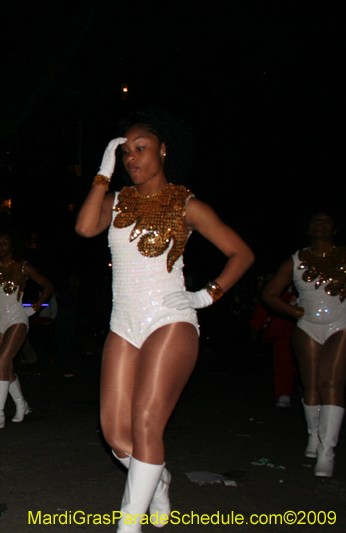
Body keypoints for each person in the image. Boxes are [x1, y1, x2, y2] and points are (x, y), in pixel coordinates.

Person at [75, 109, 253, 532]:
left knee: (147, 423)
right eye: (125, 153)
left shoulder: (186, 203)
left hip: (170, 319)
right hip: (124, 323)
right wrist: (103, 173)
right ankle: (158, 480)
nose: (132, 159)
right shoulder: (116, 201)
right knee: (117, 436)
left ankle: (128, 525)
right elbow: (84, 228)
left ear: (163, 150)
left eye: (141, 149)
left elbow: (241, 254)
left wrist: (207, 295)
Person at [261, 211, 345, 477]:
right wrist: (293, 312)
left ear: (334, 229)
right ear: (309, 230)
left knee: (330, 383)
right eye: (315, 220)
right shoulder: (296, 260)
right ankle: (313, 437)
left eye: (326, 220)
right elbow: (269, 294)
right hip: (307, 327)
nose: (320, 223)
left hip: (340, 325)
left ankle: (327, 452)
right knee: (310, 386)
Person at [0, 230, 53, 429]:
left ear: (12, 246)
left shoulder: (22, 267)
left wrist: (34, 308)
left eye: (5, 243)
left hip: (17, 318)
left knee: (1, 362)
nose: (1, 246)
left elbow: (48, 286)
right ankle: (21, 405)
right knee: (6, 366)